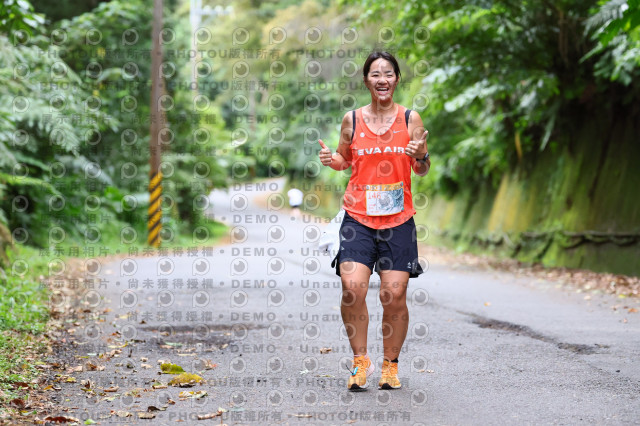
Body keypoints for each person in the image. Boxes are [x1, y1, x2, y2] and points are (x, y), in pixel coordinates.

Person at [318, 51, 430, 391]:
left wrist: (421, 155)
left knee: (393, 295)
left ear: (397, 79)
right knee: (352, 288)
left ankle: (390, 366)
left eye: (389, 73)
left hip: (398, 220)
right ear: (366, 80)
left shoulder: (410, 119)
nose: (382, 79)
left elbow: (422, 168)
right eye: (376, 74)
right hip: (358, 219)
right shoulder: (351, 120)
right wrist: (331, 160)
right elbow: (344, 159)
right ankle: (360, 362)